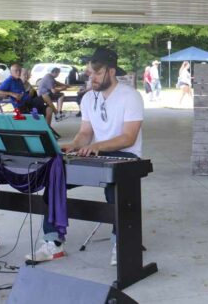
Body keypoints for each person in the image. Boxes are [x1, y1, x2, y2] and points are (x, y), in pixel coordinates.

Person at [27, 47, 143, 266]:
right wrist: (70, 145)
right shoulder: (89, 98)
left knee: (115, 188)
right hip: (97, 152)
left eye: (97, 73)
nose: (93, 78)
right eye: (90, 74)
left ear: (111, 71)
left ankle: (122, 242)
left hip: (126, 156)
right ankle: (53, 243)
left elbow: (128, 138)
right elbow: (85, 134)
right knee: (55, 178)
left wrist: (97, 146)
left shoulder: (131, 96)